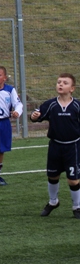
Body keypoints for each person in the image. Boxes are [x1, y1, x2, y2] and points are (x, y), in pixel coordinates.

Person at [29, 73, 80, 219]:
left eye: (65, 83)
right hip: (55, 146)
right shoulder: (51, 104)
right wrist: (34, 116)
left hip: (73, 147)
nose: (61, 84)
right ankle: (53, 202)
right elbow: (37, 115)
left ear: (72, 88)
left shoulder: (77, 106)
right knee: (52, 175)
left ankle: (77, 206)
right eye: (59, 82)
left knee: (73, 179)